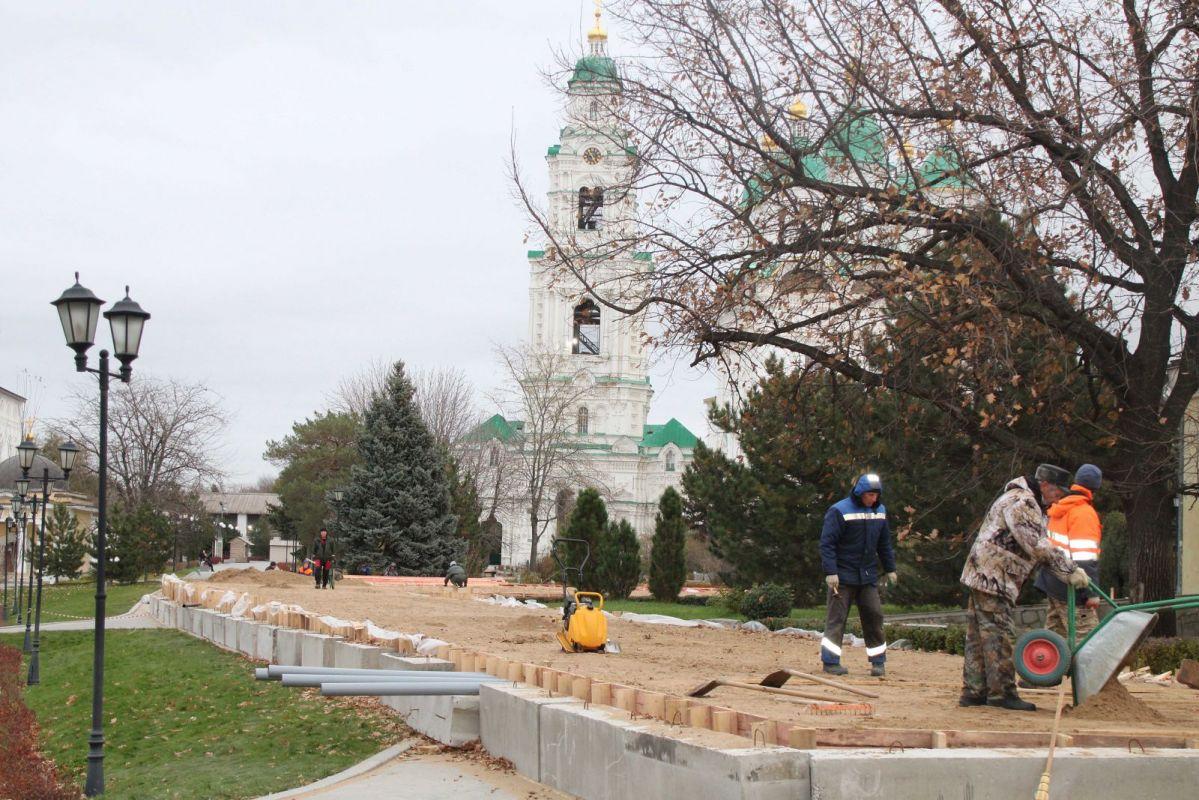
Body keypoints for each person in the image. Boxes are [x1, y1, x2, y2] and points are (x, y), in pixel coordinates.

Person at [959, 464, 1091, 711]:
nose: (1058, 497)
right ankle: (1002, 694)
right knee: (1000, 634)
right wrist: (1070, 571)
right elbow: (1037, 546)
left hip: (983, 572)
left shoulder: (1019, 499)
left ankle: (974, 691)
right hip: (994, 576)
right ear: (1044, 485)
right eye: (1057, 491)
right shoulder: (1023, 502)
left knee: (978, 637)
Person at [819, 473, 896, 677]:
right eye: (870, 495)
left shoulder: (880, 512)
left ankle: (878, 661)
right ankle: (830, 662)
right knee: (836, 619)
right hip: (842, 577)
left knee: (874, 616)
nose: (873, 499)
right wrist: (831, 572)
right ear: (860, 493)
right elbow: (827, 544)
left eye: (876, 495)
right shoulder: (839, 510)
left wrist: (890, 568)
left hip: (867, 577)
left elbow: (884, 543)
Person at [1034, 464, 1103, 638]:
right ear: (1096, 488)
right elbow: (1085, 557)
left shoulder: (1060, 508)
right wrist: (1091, 594)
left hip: (1051, 580)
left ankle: (1044, 664)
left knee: (1053, 641)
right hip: (1070, 587)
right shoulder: (1084, 513)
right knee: (1089, 639)